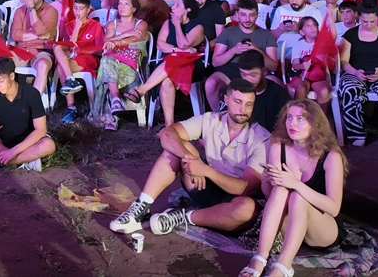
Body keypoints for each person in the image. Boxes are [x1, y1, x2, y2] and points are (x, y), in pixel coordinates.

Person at [110, 78, 268, 236]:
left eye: (249, 104)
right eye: (238, 101)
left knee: (246, 209)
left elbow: (245, 189)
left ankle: (184, 217)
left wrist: (206, 171)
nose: (243, 109)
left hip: (233, 200)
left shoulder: (262, 139)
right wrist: (191, 158)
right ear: (226, 100)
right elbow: (167, 133)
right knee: (177, 147)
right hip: (204, 186)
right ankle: (142, 207)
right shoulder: (210, 120)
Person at [242, 101, 346, 277]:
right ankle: (260, 257)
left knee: (298, 196)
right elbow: (271, 197)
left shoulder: (331, 157)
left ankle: (283, 266)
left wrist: (296, 184)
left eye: (300, 119)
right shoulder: (278, 145)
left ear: (315, 124)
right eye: (289, 117)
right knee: (281, 190)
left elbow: (334, 209)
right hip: (289, 223)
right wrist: (266, 182)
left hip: (322, 228)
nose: (292, 124)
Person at [337, 1, 378, 151]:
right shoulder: (350, 35)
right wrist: (354, 72)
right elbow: (343, 61)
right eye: (364, 21)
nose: (368, 25)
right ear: (358, 17)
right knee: (349, 89)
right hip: (354, 73)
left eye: (372, 21)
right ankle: (357, 134)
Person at [129, 0, 204, 128]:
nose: (172, 7)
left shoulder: (197, 27)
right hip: (167, 65)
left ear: (188, 10)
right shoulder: (167, 23)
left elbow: (184, 44)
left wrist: (177, 26)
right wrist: (178, 51)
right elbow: (160, 45)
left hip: (190, 66)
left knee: (173, 60)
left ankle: (142, 90)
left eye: (177, 5)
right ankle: (170, 126)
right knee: (167, 79)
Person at [0, 56, 56, 172]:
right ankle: (25, 161)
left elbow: (40, 130)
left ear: (12, 76)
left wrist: (13, 152)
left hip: (28, 141)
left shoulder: (31, 94)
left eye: (1, 81)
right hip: (1, 139)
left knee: (48, 145)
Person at [206, 0, 278, 108]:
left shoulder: (266, 35)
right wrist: (234, 51)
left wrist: (257, 50)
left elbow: (273, 67)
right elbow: (215, 62)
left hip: (257, 70)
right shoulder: (227, 32)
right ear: (237, 14)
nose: (247, 19)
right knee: (211, 83)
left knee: (278, 85)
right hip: (230, 69)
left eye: (251, 15)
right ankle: (219, 118)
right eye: (243, 15)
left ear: (257, 15)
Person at [94, 0, 149, 131]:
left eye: (126, 4)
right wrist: (125, 34)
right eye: (119, 3)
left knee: (107, 67)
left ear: (134, 8)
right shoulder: (112, 23)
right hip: (112, 59)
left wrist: (117, 42)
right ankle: (116, 101)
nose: (122, 7)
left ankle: (113, 112)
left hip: (131, 61)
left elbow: (135, 40)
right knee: (107, 60)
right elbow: (105, 41)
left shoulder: (141, 24)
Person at [53, 0, 105, 123]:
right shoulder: (69, 25)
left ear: (88, 10)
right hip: (71, 57)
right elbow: (69, 46)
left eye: (81, 8)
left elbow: (100, 50)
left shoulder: (95, 26)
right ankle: (71, 79)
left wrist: (83, 50)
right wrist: (76, 27)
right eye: (75, 8)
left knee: (61, 67)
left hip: (87, 57)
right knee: (57, 48)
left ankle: (71, 108)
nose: (77, 12)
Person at [8, 0, 58, 100]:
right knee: (2, 62)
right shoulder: (19, 11)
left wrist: (31, 10)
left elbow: (40, 30)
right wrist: (36, 35)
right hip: (21, 50)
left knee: (43, 65)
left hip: (41, 50)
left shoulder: (51, 11)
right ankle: (9, 100)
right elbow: (15, 35)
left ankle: (33, 104)